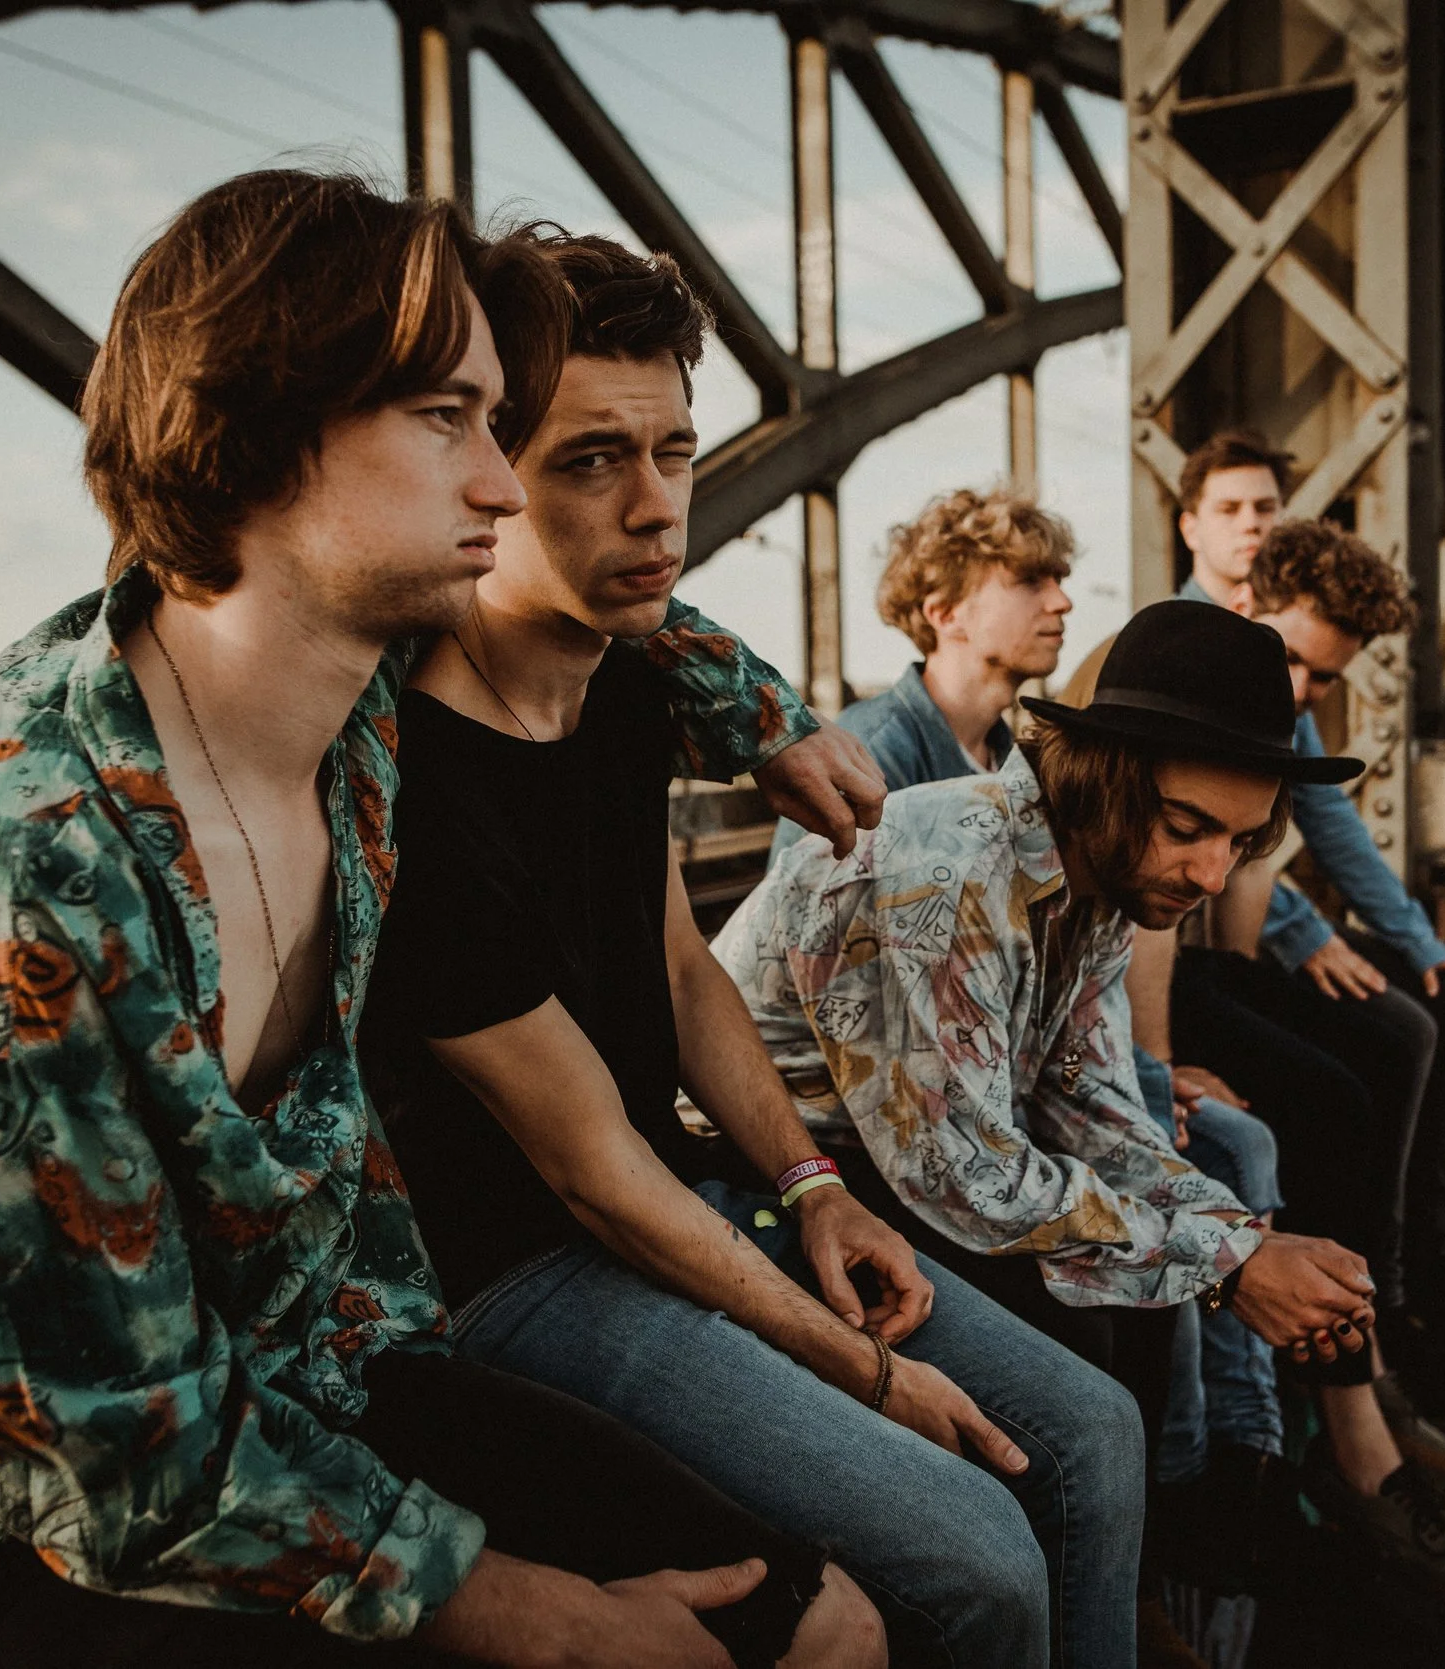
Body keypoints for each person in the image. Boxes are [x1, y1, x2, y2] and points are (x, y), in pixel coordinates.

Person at [0, 172, 892, 1669]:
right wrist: (547, 1621)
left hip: (312, 1377)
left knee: (821, 1629)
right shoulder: (12, 886)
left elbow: (628, 598)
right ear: (254, 433)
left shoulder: (347, 714)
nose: (502, 482)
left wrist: (767, 716)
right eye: (447, 420)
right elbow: (107, 1463)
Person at [359, 232, 1146, 1669]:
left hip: (681, 1193)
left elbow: (676, 966)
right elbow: (589, 1178)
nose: (658, 508)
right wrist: (860, 1371)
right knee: (980, 1562)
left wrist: (811, 1186)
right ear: (480, 474)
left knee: (1093, 1432)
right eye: (592, 460)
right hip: (517, 1272)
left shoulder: (628, 687)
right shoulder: (411, 783)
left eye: (674, 450)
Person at [718, 602, 1403, 1592]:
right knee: (1099, 1321)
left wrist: (1237, 1238)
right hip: (769, 1172)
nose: (1212, 872)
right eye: (1188, 828)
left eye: (1240, 841)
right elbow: (963, 1172)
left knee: (1150, 1268)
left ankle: (1143, 1563)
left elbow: (1095, 1107)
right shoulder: (953, 867)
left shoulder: (1100, 873)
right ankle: (1102, 1583)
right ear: (1111, 776)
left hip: (894, 1157)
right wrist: (1228, 1265)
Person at [1175, 499, 1445, 1381]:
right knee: (1358, 1072)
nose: (1302, 692)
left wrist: (1422, 943)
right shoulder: (1184, 668)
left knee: (1437, 1007)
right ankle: (1364, 1319)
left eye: (1322, 679)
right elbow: (1182, 871)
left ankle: (1403, 1275)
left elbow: (1316, 826)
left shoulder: (1275, 687)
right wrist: (1149, 1056)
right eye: (1295, 662)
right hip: (1163, 968)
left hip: (1209, 957)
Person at [768, 488, 1073, 860]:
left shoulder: (1009, 758)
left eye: (1059, 580)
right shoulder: (873, 751)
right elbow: (798, 911)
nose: (1063, 601)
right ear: (945, 614)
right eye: (1030, 581)